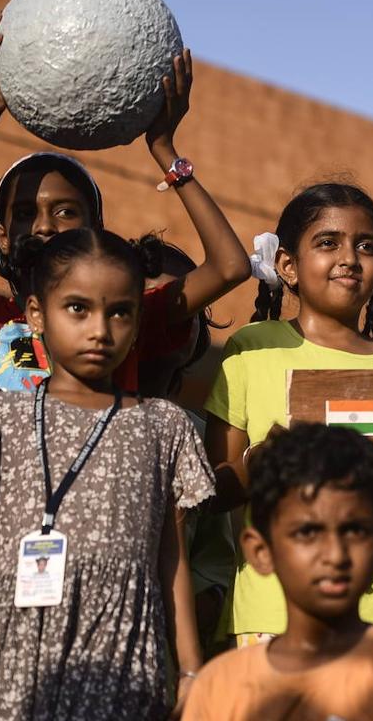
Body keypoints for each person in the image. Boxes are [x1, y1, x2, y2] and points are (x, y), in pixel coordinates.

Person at [0, 13, 250, 695]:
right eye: (27, 212)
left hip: (103, 562)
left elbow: (229, 265)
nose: (46, 222)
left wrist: (166, 152)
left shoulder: (116, 318)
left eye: (67, 211)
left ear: (98, 231)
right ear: (2, 235)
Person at [0, 228, 216, 721]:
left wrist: (190, 672)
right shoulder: (0, 419)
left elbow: (172, 560)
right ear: (37, 314)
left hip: (122, 658)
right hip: (12, 658)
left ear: (138, 319)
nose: (100, 330)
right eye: (78, 309)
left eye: (119, 311)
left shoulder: (163, 426)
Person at [203, 182, 373, 647]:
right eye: (328, 242)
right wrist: (263, 461)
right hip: (274, 613)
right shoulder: (251, 349)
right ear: (288, 266)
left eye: (366, 246)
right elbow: (212, 493)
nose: (350, 257)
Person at [182, 423, 373, 720]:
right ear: (261, 551)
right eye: (308, 532)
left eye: (354, 530)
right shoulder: (220, 686)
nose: (335, 555)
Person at [138, 240, 236, 653]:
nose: (168, 322)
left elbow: (215, 564)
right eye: (154, 307)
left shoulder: (197, 435)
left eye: (183, 309)